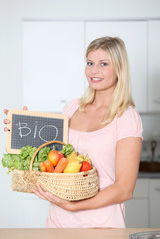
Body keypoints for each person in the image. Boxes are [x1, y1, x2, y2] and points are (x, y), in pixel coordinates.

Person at [4, 36, 143, 228]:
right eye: (90, 63)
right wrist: (23, 128)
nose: (94, 71)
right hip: (58, 223)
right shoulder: (72, 108)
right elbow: (53, 157)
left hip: (101, 226)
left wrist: (73, 206)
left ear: (119, 68)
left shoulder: (127, 117)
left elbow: (124, 189)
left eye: (103, 64)